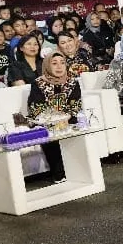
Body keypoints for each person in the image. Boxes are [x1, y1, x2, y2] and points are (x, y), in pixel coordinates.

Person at [27, 52, 83, 181]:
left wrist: (65, 117)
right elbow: (36, 107)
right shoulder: (38, 83)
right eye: (54, 63)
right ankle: (59, 174)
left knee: (78, 123)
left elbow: (75, 104)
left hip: (68, 117)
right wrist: (55, 119)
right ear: (47, 65)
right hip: (46, 120)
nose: (59, 66)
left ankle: (79, 170)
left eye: (62, 63)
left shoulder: (73, 82)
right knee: (47, 131)